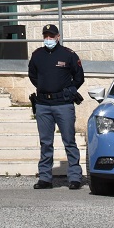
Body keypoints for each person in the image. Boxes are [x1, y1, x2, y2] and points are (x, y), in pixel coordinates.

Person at [27, 23, 85, 190]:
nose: (48, 39)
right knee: (46, 142)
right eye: (46, 36)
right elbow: (33, 76)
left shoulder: (68, 54)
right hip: (43, 104)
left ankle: (74, 177)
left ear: (58, 37)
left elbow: (79, 77)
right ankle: (45, 178)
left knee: (69, 141)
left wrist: (68, 91)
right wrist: (45, 88)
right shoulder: (37, 55)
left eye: (51, 36)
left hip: (63, 104)